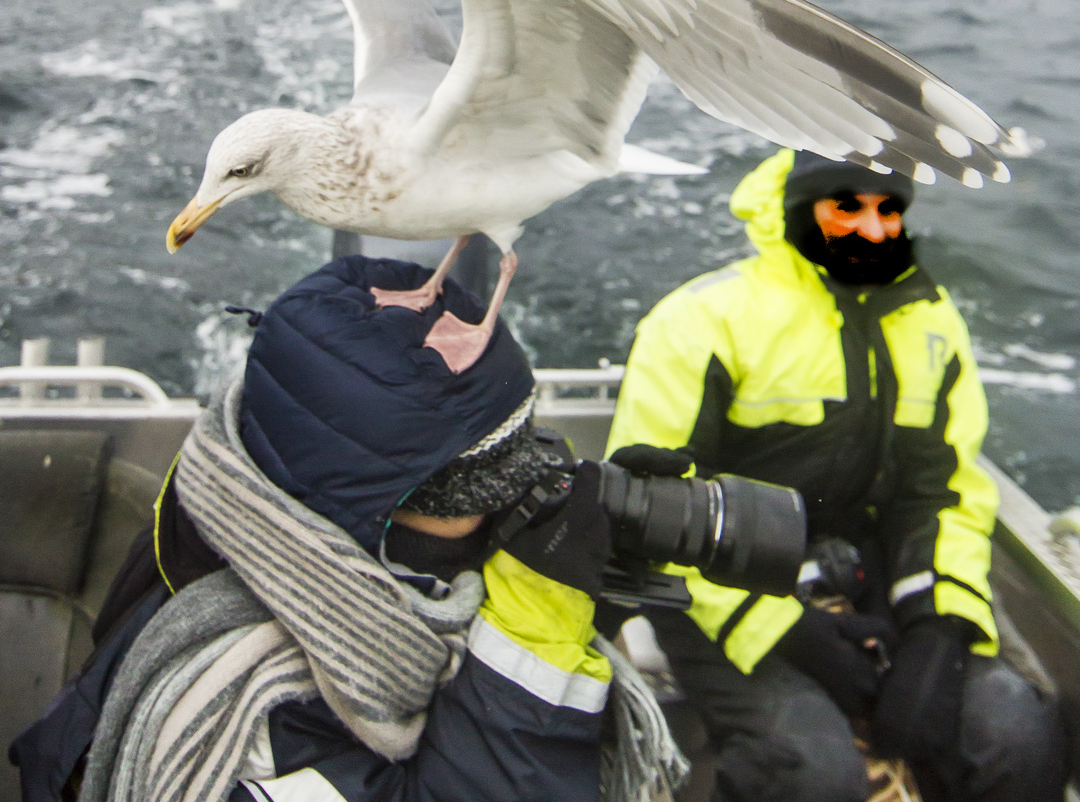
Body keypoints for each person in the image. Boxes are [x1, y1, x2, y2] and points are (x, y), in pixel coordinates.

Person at [11, 256, 684, 802]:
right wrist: (537, 633)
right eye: (491, 483)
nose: (519, 501)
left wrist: (598, 584)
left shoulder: (240, 506)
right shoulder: (252, 716)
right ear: (382, 514)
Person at [604, 148, 1068, 802]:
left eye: (888, 209)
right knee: (813, 769)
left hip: (869, 571)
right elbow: (651, 512)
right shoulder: (699, 322)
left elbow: (945, 496)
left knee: (1017, 735)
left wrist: (938, 634)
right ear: (800, 211)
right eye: (847, 207)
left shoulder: (932, 323)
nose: (874, 228)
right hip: (716, 593)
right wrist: (791, 631)